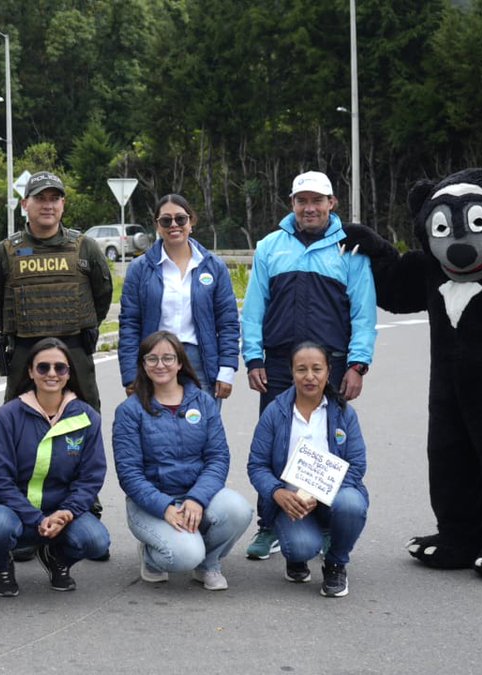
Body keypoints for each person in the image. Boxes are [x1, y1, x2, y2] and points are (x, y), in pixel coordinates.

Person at [240, 170, 376, 561]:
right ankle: (270, 525)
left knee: (328, 445)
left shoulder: (350, 250)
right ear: (292, 204)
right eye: (302, 200)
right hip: (280, 365)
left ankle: (332, 523)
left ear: (332, 203)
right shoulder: (270, 246)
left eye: (318, 200)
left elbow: (364, 313)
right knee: (274, 446)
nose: (310, 207)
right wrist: (253, 358)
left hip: (329, 365)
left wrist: (358, 364)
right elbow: (254, 308)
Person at [112, 331, 253, 591]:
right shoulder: (129, 411)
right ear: (143, 365)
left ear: (180, 362)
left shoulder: (204, 402)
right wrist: (164, 507)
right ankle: (151, 557)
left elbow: (218, 458)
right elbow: (129, 474)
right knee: (185, 554)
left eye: (168, 357)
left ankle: (208, 564)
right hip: (151, 503)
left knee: (238, 509)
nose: (160, 364)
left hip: (196, 495)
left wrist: (197, 498)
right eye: (152, 359)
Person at [0, 338, 110, 596]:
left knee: (96, 541)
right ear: (30, 371)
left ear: (69, 373)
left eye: (60, 368)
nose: (52, 373)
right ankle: (1, 564)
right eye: (43, 367)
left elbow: (90, 478)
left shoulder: (87, 417)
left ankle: (57, 558)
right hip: (14, 511)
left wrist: (67, 513)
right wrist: (36, 518)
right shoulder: (8, 415)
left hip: (61, 513)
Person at [0, 170, 113, 412]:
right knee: (16, 419)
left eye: (54, 199)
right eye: (40, 198)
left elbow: (102, 296)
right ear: (25, 204)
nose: (48, 205)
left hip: (75, 346)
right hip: (24, 348)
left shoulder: (85, 248)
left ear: (62, 204)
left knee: (86, 416)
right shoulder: (6, 252)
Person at [246, 341, 368, 598]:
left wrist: (319, 492)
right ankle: (297, 555)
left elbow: (356, 466)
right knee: (301, 547)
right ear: (292, 372)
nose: (310, 377)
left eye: (317, 369)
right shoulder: (275, 412)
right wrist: (277, 493)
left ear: (328, 371)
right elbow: (257, 465)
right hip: (289, 503)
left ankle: (336, 563)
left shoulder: (344, 413)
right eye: (301, 369)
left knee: (352, 503)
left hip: (331, 497)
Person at [118, 194, 239, 402]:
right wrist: (130, 375)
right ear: (157, 226)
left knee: (201, 430)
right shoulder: (140, 269)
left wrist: (227, 368)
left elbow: (228, 322)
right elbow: (129, 324)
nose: (174, 225)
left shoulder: (214, 266)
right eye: (166, 220)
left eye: (180, 219)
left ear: (191, 222)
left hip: (201, 362)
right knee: (156, 430)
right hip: (155, 363)